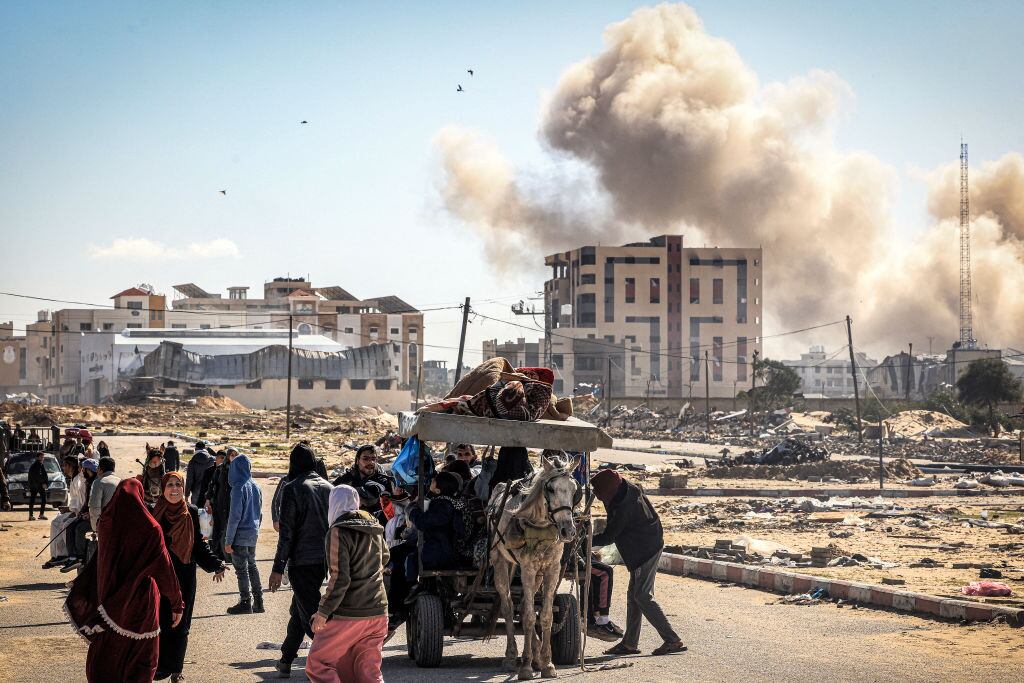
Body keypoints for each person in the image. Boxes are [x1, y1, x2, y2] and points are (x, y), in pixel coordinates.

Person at [64, 479, 185, 683]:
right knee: (141, 659)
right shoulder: (150, 528)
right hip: (141, 605)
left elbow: (99, 561)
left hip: (109, 604)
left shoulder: (107, 523)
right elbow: (165, 569)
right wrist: (176, 603)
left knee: (108, 656)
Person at [590, 469, 686, 657]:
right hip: (647, 542)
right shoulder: (627, 488)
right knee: (633, 596)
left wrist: (585, 539)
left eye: (601, 495)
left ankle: (672, 639)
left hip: (644, 550)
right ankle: (629, 644)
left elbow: (609, 536)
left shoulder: (622, 505)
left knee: (642, 596)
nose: (600, 499)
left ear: (609, 492)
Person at [306, 485, 389, 683]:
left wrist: (323, 612)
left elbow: (340, 578)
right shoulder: (375, 527)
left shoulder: (337, 531)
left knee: (319, 663)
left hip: (350, 612)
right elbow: (385, 557)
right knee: (369, 671)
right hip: (378, 611)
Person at [152, 472, 228, 682]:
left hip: (184, 577)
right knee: (160, 620)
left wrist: (216, 564)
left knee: (181, 624)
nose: (174, 489)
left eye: (178, 484)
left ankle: (176, 669)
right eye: (170, 485)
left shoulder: (191, 512)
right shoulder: (153, 511)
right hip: (159, 577)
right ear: (163, 487)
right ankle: (157, 665)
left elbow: (198, 545)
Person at [270, 443, 333, 678]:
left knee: (311, 616)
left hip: (302, 562)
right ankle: (286, 659)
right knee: (299, 610)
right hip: (324, 561)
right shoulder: (329, 487)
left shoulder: (292, 488)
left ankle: (330, 662)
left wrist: (277, 569)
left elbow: (287, 535)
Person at [405, 471, 464, 585]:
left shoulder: (443, 505)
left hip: (439, 552)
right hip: (441, 549)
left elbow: (423, 522)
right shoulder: (447, 502)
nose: (431, 481)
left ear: (438, 490)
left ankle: (411, 587)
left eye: (434, 480)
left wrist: (413, 510)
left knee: (410, 559)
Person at [224, 453, 264, 614]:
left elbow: (234, 516)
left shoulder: (238, 487)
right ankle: (259, 601)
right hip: (252, 533)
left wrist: (228, 541)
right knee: (252, 566)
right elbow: (260, 513)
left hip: (239, 535)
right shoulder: (256, 486)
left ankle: (245, 601)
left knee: (241, 570)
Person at [332, 445, 393, 525]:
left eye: (373, 459)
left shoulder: (382, 481)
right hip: (349, 525)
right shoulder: (346, 479)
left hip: (376, 525)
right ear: (357, 461)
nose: (370, 462)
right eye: (365, 459)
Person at [206, 447, 237, 560]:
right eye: (231, 454)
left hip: (233, 504)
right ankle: (215, 555)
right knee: (217, 529)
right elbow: (212, 484)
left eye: (235, 455)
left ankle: (229, 556)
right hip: (219, 503)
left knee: (230, 529)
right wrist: (208, 500)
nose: (233, 457)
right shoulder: (220, 469)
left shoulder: (238, 469)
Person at [89, 457, 119, 534]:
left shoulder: (99, 482)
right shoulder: (121, 481)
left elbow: (94, 507)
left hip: (104, 525)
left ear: (100, 469)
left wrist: (95, 527)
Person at [184, 442, 215, 508]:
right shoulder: (212, 460)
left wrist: (186, 495)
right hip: (211, 492)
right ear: (204, 448)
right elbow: (220, 455)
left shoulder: (192, 461)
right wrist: (209, 449)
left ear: (195, 449)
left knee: (195, 513)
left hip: (196, 492)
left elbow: (189, 479)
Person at [28, 451, 49, 520]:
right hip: (38, 485)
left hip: (35, 485)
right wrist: (43, 483)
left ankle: (32, 515)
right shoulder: (37, 465)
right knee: (43, 499)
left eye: (43, 457)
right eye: (41, 457)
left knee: (33, 500)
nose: (43, 458)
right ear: (37, 457)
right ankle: (40, 514)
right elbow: (38, 476)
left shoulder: (37, 464)